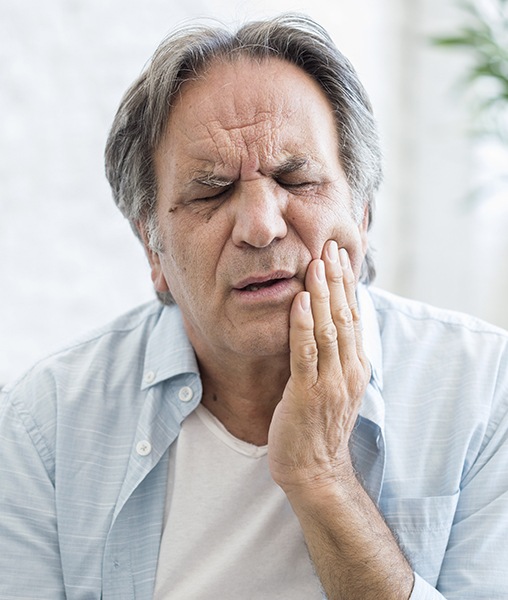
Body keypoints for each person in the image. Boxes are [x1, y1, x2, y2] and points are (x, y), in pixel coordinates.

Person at [1, 13, 507, 600]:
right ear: (152, 248)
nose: (262, 227)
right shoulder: (43, 427)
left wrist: (321, 478)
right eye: (211, 192)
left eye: (296, 180)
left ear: (362, 215)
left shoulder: (485, 394)